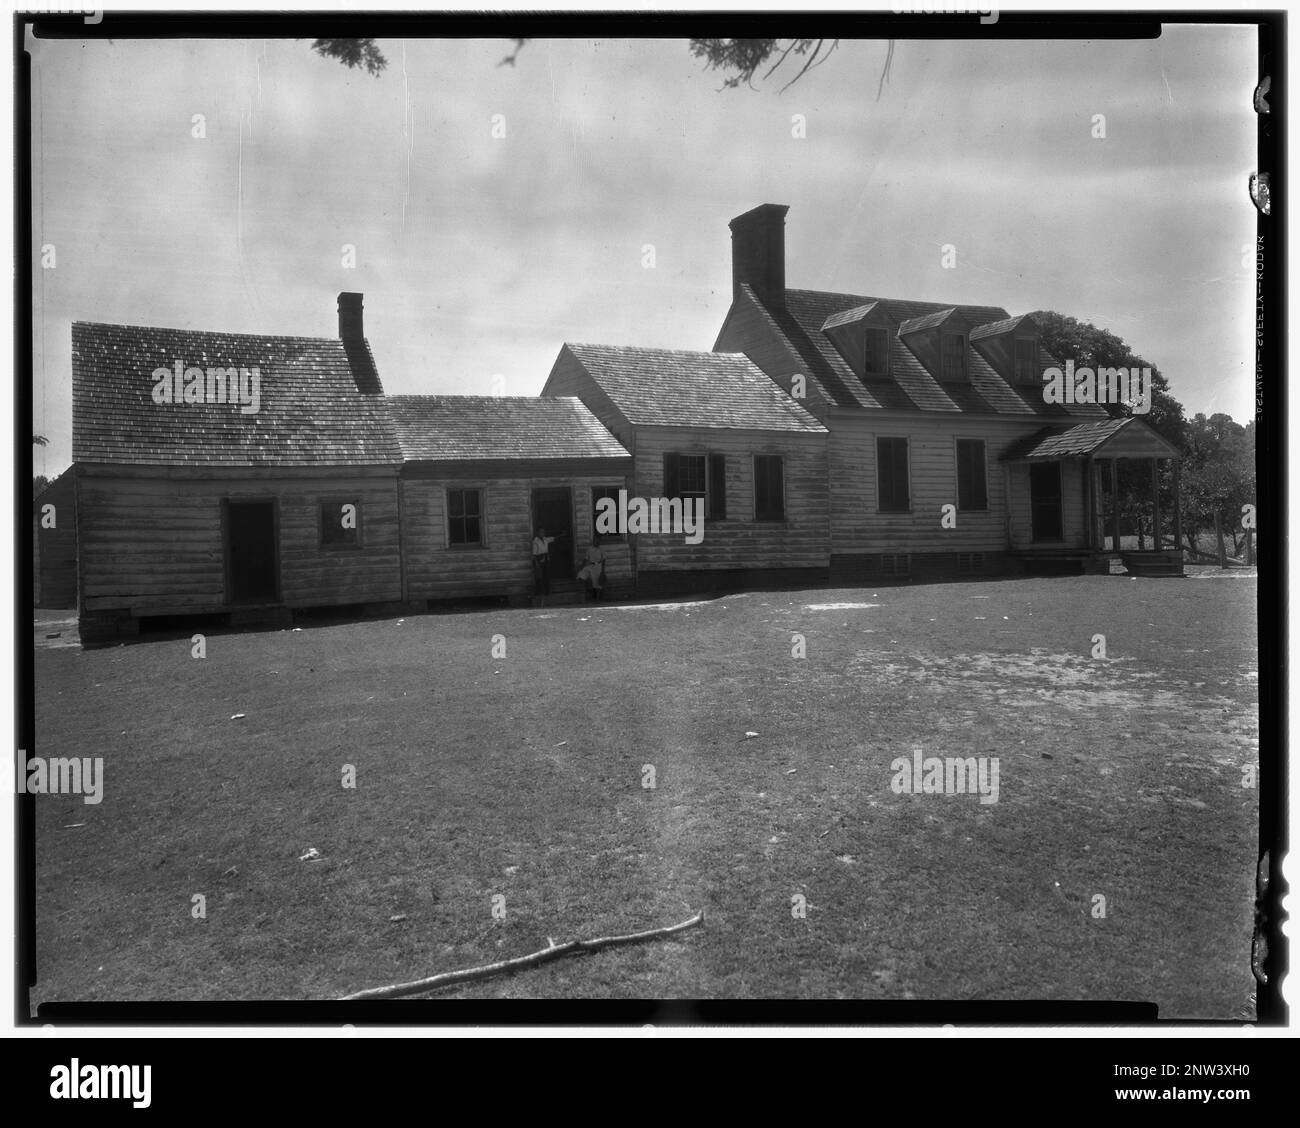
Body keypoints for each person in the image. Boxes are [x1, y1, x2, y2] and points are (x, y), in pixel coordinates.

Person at [577, 535, 607, 600]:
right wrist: (581, 567)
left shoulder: (601, 549)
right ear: (593, 541)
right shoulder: (589, 549)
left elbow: (604, 560)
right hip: (590, 565)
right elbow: (585, 559)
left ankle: (597, 599)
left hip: (598, 566)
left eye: (598, 541)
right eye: (595, 540)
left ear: (599, 541)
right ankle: (582, 597)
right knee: (581, 576)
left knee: (596, 582)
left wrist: (603, 571)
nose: (596, 542)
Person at [531, 526, 556, 596]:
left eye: (543, 532)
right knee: (539, 577)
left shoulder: (545, 539)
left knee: (547, 575)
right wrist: (536, 564)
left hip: (546, 560)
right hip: (539, 560)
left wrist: (561, 535)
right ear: (537, 533)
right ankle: (539, 592)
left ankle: (547, 592)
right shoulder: (535, 541)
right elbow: (534, 555)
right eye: (541, 532)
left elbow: (553, 538)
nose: (543, 533)